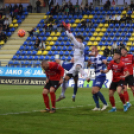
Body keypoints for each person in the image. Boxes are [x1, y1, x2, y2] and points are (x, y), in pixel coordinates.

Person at [56, 21, 88, 101]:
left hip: (80, 64)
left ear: (80, 41)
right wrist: (67, 30)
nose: (76, 41)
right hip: (74, 65)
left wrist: (68, 30)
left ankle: (87, 77)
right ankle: (62, 94)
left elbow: (72, 38)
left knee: (77, 67)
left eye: (77, 40)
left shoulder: (81, 45)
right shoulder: (76, 46)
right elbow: (72, 38)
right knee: (66, 78)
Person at [87, 46, 108, 111]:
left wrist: (106, 67)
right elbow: (88, 66)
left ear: (96, 49)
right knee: (93, 92)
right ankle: (97, 107)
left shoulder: (101, 57)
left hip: (101, 75)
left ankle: (105, 104)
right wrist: (89, 63)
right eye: (91, 50)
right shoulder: (92, 58)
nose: (92, 50)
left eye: (93, 49)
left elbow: (106, 63)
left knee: (96, 90)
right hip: (96, 76)